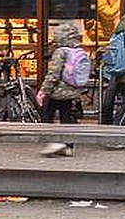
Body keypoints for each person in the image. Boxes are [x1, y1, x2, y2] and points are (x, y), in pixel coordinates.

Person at [35, 19, 92, 154]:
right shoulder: (78, 50)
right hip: (72, 91)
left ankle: (54, 142)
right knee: (67, 118)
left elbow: (54, 73)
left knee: (47, 115)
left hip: (58, 91)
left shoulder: (61, 52)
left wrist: (44, 90)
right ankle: (68, 146)